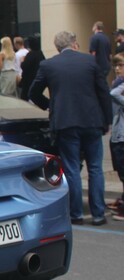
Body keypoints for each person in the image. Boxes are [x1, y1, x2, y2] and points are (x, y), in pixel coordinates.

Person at [29, 30, 111, 226]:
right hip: (92, 121)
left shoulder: (49, 65)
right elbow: (103, 93)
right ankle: (98, 214)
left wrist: (50, 105)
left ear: (57, 47)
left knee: (72, 168)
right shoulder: (90, 62)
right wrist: (106, 120)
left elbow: (33, 92)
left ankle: (76, 214)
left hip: (65, 122)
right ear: (74, 43)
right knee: (95, 168)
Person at [107, 54, 124, 220]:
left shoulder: (120, 87)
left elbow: (114, 93)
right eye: (116, 66)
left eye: (121, 66)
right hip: (118, 136)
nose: (117, 69)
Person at [19, 36, 45, 101]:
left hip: (28, 80)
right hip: (37, 79)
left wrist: (22, 61)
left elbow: (24, 66)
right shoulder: (40, 54)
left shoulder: (30, 54)